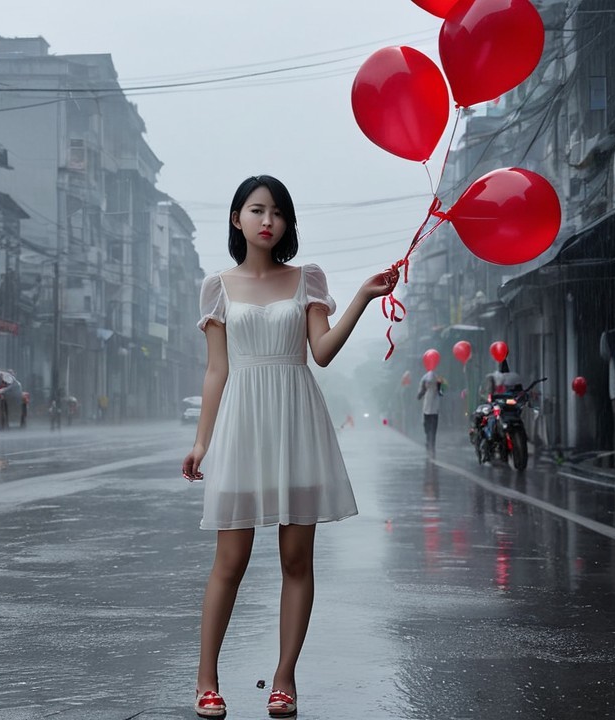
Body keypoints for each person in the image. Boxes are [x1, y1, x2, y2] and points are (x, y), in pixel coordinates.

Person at [181, 175, 400, 719]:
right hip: (242, 424)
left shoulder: (308, 279)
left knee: (296, 558)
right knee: (229, 560)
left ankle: (284, 679)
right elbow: (216, 370)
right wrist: (202, 440)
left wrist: (362, 299)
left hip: (297, 420)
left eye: (277, 212)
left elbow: (321, 352)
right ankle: (207, 680)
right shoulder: (218, 287)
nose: (267, 220)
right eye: (256, 210)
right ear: (237, 220)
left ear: (287, 223)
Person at [417, 368, 443, 456]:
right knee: (427, 427)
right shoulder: (424, 380)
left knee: (432, 428)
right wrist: (424, 389)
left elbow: (441, 392)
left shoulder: (438, 380)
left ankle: (431, 443)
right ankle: (429, 441)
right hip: (427, 408)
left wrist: (438, 386)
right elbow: (420, 394)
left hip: (434, 409)